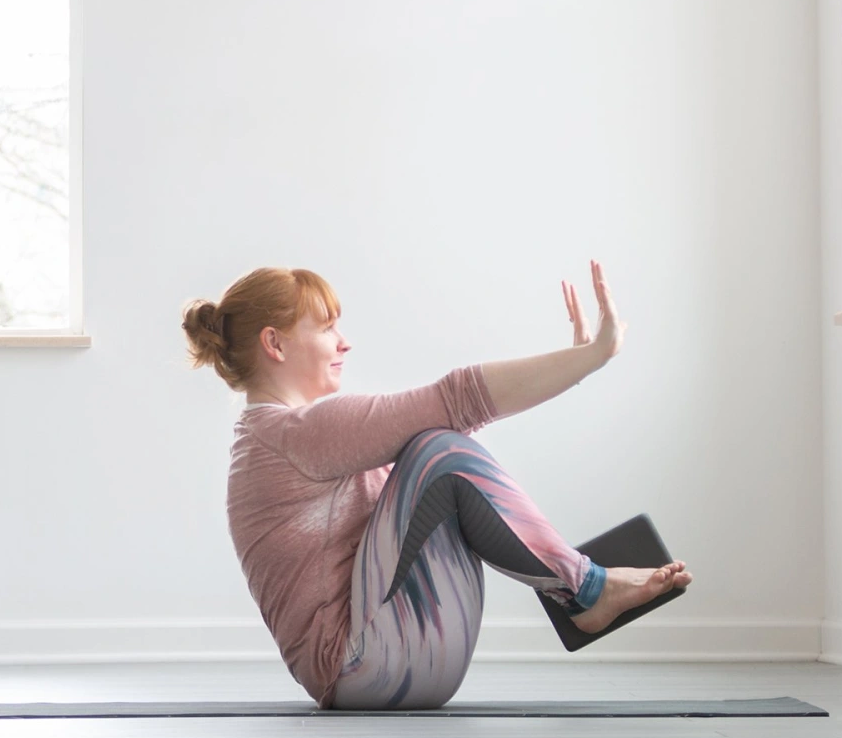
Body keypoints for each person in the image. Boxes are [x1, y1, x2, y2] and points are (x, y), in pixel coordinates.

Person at [181, 260, 692, 710]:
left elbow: (457, 421)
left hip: (384, 665)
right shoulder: (293, 434)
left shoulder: (280, 440)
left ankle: (579, 590)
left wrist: (570, 365)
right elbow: (456, 401)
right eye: (328, 328)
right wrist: (590, 359)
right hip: (365, 666)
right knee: (437, 451)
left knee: (436, 446)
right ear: (275, 343)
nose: (344, 342)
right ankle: (586, 591)